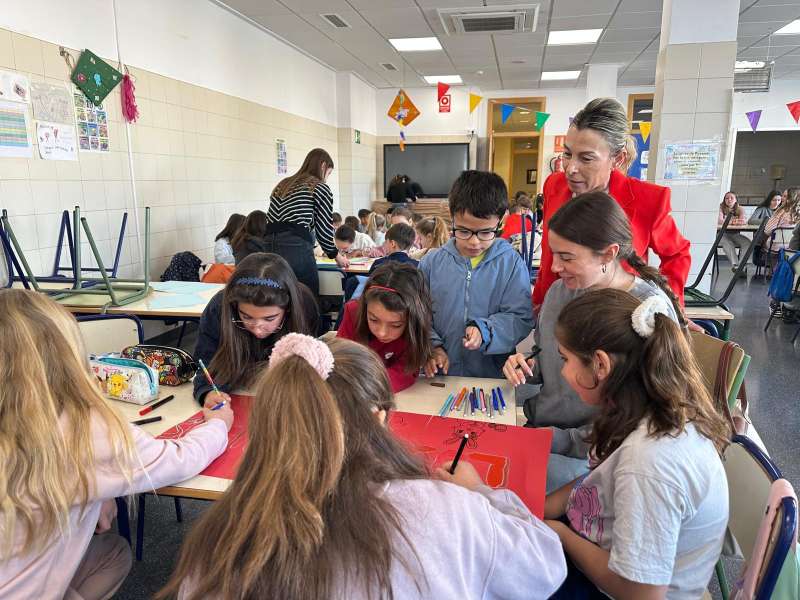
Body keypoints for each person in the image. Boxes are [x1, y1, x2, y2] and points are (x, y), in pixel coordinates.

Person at [159, 334, 567, 600]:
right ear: (377, 417)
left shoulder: (225, 537)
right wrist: (480, 494)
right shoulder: (447, 509)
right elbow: (545, 567)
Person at [0, 289, 233, 600]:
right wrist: (219, 424)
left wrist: (95, 495)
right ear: (66, 351)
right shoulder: (83, 428)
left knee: (110, 551)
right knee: (114, 554)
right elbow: (179, 459)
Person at [544, 289, 730, 599]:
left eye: (565, 359)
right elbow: (599, 478)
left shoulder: (649, 461)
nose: (563, 371)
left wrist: (560, 534)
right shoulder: (645, 408)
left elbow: (641, 592)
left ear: (600, 365)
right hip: (601, 547)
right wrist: (544, 508)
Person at [502, 191, 682, 492]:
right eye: (553, 254)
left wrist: (547, 440)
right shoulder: (560, 292)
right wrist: (526, 366)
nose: (555, 267)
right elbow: (548, 361)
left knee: (500, 484)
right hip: (544, 433)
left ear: (609, 254)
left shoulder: (646, 312)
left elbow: (640, 424)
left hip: (599, 455)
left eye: (567, 257)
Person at [533, 98, 691, 309]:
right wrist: (540, 303)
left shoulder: (648, 199)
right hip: (557, 307)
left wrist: (670, 308)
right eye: (568, 154)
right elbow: (550, 253)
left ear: (617, 159)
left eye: (586, 158)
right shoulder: (554, 185)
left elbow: (677, 254)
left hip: (617, 316)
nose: (571, 168)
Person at [420, 170, 533, 378]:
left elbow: (520, 318)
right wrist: (432, 346)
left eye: (485, 232)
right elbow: (418, 315)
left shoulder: (510, 263)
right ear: (451, 216)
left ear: (501, 221)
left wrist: (486, 331)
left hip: (491, 377)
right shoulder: (432, 263)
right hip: (440, 375)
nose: (474, 242)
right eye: (463, 231)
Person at [193, 253, 320, 406]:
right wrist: (208, 392)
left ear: (288, 309)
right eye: (246, 317)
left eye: (269, 319)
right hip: (235, 391)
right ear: (234, 307)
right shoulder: (219, 308)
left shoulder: (304, 305)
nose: (258, 330)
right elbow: (205, 361)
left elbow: (310, 363)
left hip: (283, 397)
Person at [337, 263, 432, 392]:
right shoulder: (353, 312)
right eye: (373, 319)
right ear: (365, 308)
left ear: (411, 320)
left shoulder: (414, 329)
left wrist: (367, 388)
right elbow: (339, 360)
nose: (382, 333)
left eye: (396, 325)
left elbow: (405, 371)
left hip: (376, 394)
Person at [266, 148, 346, 296]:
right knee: (306, 297)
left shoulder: (283, 184)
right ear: (323, 166)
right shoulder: (319, 187)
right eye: (328, 173)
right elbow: (324, 229)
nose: (327, 178)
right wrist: (336, 255)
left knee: (279, 298)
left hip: (269, 246)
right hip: (296, 247)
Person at [718, 191, 749, 272]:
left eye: (732, 198)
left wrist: (729, 221)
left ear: (736, 200)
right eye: (727, 198)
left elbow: (744, 221)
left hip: (735, 234)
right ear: (724, 200)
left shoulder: (740, 208)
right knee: (728, 243)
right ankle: (735, 266)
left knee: (747, 242)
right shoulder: (720, 207)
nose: (729, 200)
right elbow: (720, 221)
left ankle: (741, 266)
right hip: (721, 234)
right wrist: (734, 221)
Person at [749, 189, 782, 266]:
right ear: (769, 199)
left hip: (776, 239)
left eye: (779, 200)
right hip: (762, 238)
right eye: (774, 200)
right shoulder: (762, 208)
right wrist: (769, 221)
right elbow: (751, 221)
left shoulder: (781, 211)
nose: (776, 202)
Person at [764, 187, 800, 252]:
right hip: (794, 248)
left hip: (776, 247)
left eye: (785, 196)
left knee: (758, 242)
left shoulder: (781, 212)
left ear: (791, 198)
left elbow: (768, 230)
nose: (782, 198)